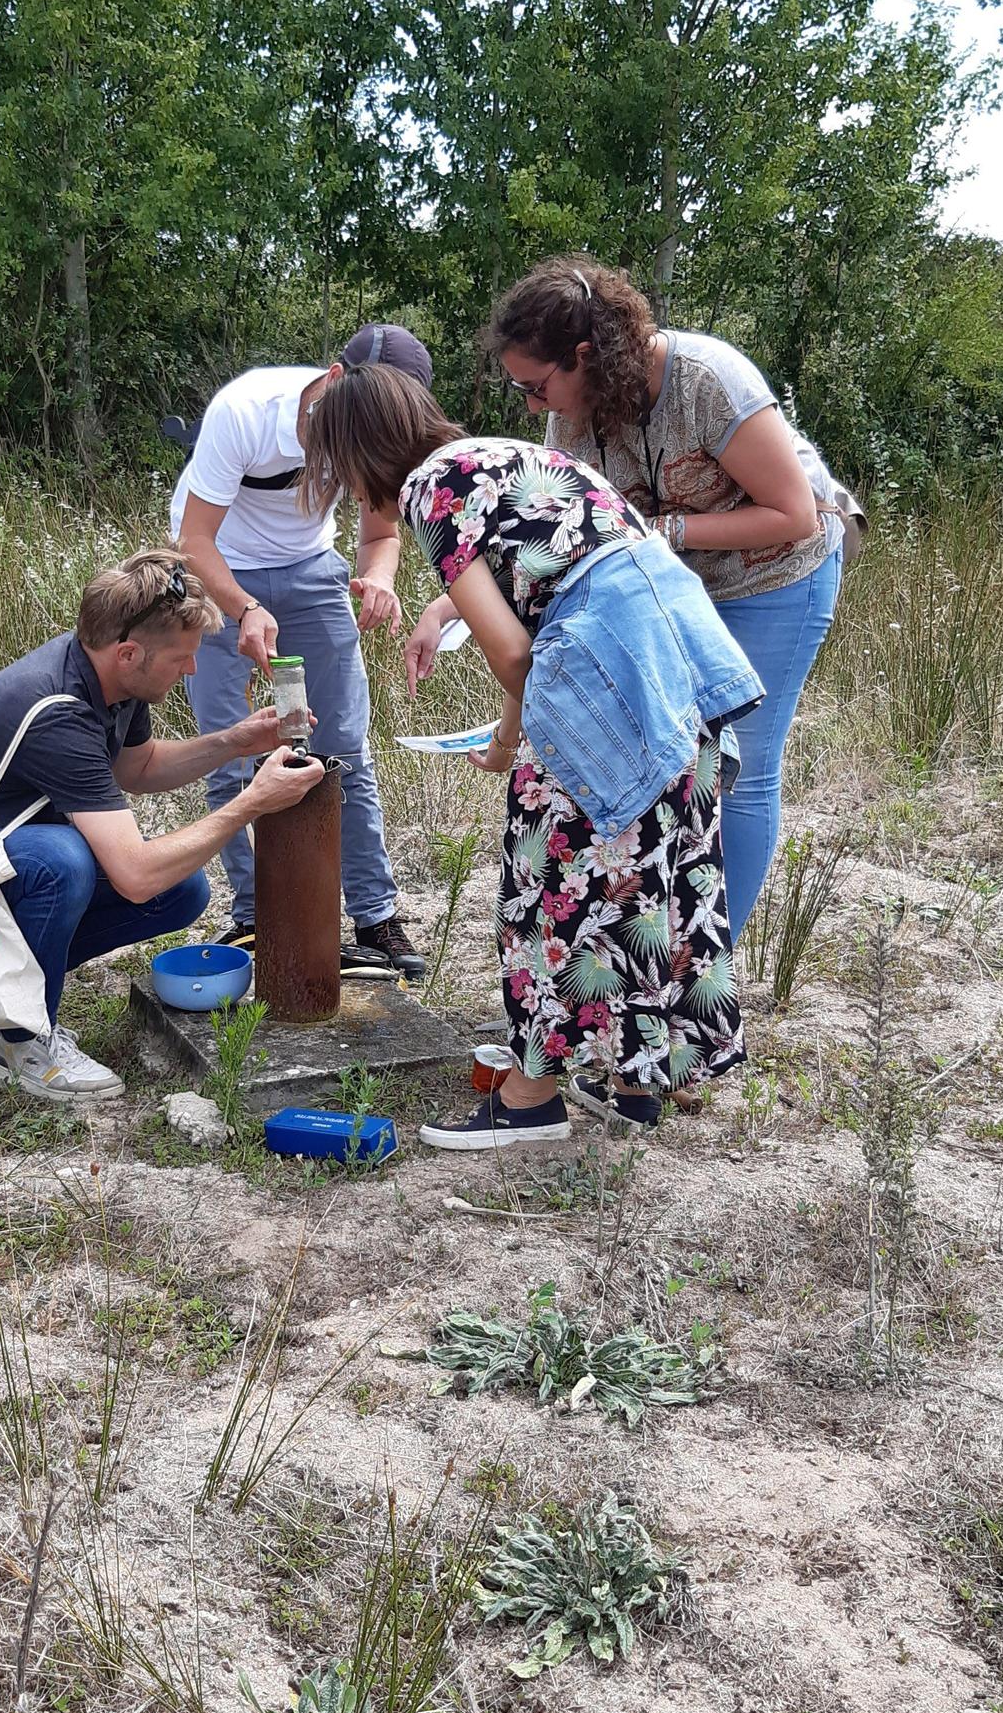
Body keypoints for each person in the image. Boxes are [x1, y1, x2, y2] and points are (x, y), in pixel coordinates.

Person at [301, 368, 754, 1150]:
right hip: (680, 664)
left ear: (357, 453)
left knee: (550, 885)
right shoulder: (508, 454)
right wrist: (513, 736)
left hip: (608, 686)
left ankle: (528, 1099)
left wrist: (521, 738)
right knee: (657, 879)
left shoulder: (429, 489)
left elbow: (513, 650)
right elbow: (537, 603)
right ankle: (635, 1080)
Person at [408, 259, 847, 931]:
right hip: (673, 590)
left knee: (742, 764)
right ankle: (664, 935)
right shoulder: (572, 412)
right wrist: (449, 603)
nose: (529, 405)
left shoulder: (707, 380)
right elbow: (554, 536)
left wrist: (662, 531)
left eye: (535, 385)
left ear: (585, 355)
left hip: (775, 576)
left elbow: (796, 515)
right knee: (674, 756)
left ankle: (715, 950)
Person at [0, 550, 323, 1104]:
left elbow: (138, 767)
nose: (191, 669)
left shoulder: (112, 677)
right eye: (182, 658)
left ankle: (10, 993)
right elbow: (133, 876)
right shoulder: (57, 710)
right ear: (129, 652)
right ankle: (22, 1044)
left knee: (180, 890)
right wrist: (251, 802)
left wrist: (237, 741)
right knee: (63, 861)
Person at [171, 323, 434, 981]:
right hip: (219, 570)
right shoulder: (246, 413)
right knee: (228, 744)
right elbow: (194, 541)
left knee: (345, 745)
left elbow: (381, 535)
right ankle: (256, 913)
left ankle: (375, 915)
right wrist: (245, 610)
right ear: (337, 381)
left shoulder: (380, 428)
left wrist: (378, 580)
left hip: (313, 570)